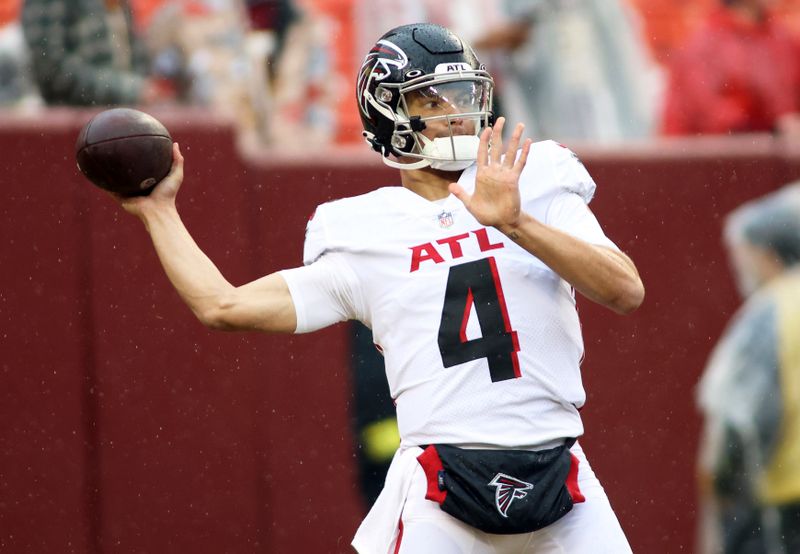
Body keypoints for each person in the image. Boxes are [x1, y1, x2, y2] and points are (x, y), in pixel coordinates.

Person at [110, 23, 644, 553]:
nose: (458, 112)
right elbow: (221, 305)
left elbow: (626, 290)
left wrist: (516, 224)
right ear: (389, 115)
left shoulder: (536, 177)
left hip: (562, 478)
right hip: (442, 494)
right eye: (434, 101)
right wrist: (159, 213)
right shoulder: (366, 231)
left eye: (464, 95)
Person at [697, 183, 800, 554]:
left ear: (770, 253)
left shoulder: (772, 311)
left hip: (787, 498)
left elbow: (744, 420)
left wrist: (726, 488)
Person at [662, 0, 800, 136]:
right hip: (730, 155)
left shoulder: (785, 40)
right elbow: (710, 121)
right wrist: (772, 129)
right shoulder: (703, 47)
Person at [21, 0, 173, 106]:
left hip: (122, 119)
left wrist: (144, 89)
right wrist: (130, 90)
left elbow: (133, 54)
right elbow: (51, 69)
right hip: (74, 126)